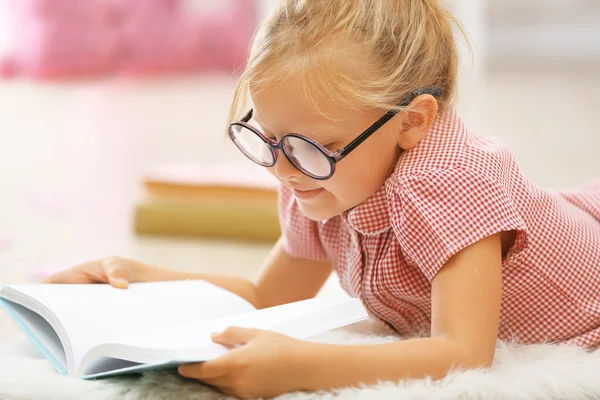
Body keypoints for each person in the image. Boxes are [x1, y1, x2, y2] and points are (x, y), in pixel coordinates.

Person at [45, 0, 600, 398]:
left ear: (412, 123)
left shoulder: (452, 183)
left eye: (312, 147)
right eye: (268, 139)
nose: (284, 171)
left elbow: (464, 352)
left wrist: (302, 367)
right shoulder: (314, 175)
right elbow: (266, 294)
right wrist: (142, 273)